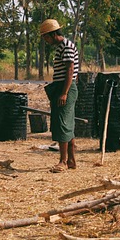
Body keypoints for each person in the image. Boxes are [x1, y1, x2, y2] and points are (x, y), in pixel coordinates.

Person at [40, 19, 79, 173]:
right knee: (66, 123)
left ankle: (62, 161)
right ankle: (71, 160)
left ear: (53, 34)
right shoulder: (60, 47)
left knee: (63, 124)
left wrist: (64, 93)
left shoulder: (67, 46)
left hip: (65, 88)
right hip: (62, 88)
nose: (45, 40)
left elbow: (70, 71)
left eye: (46, 37)